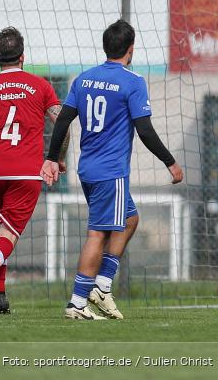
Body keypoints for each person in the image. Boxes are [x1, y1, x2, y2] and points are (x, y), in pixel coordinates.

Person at [42, 20, 184, 320]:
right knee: (97, 234)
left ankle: (102, 287)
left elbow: (64, 119)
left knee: (130, 219)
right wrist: (170, 161)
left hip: (88, 169)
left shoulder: (83, 79)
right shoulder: (132, 82)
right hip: (112, 171)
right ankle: (78, 302)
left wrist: (52, 157)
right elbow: (144, 129)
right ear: (130, 51)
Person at [0, 27, 67, 315]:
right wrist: (56, 158)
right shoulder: (41, 86)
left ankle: (0, 297)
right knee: (7, 238)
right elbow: (62, 122)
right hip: (25, 174)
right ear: (22, 56)